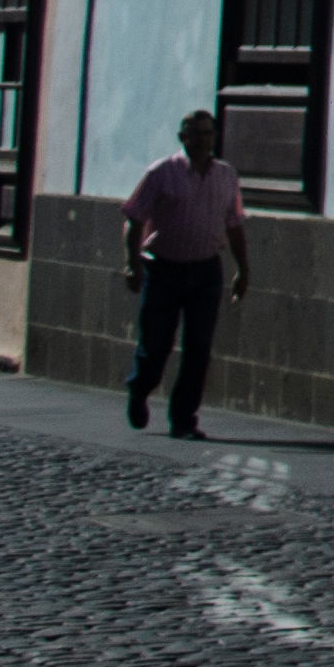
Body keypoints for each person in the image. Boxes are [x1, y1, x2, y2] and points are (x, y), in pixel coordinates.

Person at [121, 109, 250, 438]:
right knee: (156, 344)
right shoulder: (162, 173)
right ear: (183, 138)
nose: (202, 140)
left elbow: (234, 225)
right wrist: (131, 262)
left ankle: (183, 419)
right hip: (164, 269)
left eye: (207, 133)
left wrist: (242, 268)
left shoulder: (226, 175)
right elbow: (134, 218)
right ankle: (140, 388)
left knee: (198, 348)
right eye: (195, 134)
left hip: (206, 269)